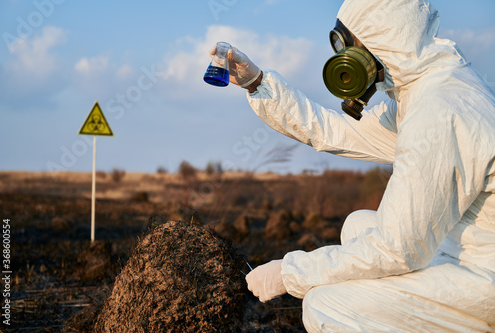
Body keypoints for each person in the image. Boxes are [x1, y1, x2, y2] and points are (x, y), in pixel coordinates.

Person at [210, 0, 495, 331]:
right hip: (469, 250)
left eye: (351, 47)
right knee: (358, 225)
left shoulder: (437, 112)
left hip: (483, 276)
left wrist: (289, 273)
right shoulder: (429, 88)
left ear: (384, 40)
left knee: (326, 305)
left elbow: (397, 250)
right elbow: (335, 131)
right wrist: (257, 82)